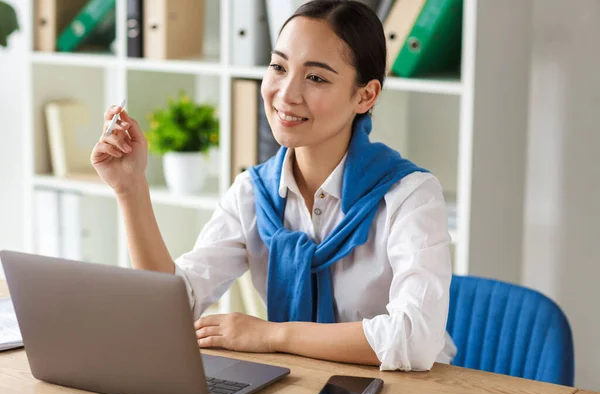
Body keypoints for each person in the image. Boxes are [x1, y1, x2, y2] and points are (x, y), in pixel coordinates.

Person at [91, 0, 457, 371]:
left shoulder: (409, 196)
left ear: (365, 95)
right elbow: (168, 310)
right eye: (279, 67)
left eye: (315, 77)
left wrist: (273, 335)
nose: (286, 93)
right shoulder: (254, 194)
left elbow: (415, 338)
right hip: (303, 385)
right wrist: (130, 189)